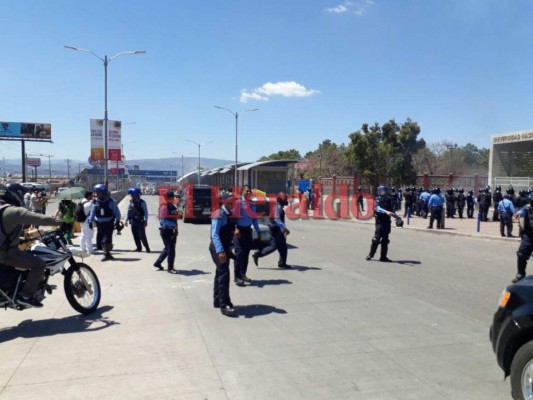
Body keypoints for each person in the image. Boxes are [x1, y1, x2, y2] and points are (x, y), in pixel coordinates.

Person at [0, 183, 64, 307]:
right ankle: (25, 296)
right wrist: (59, 222)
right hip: (6, 254)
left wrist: (20, 240)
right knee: (39, 264)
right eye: (23, 195)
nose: (24, 198)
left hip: (5, 249)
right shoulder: (14, 211)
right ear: (17, 195)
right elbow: (37, 218)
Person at [209, 191, 236, 316]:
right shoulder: (218, 214)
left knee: (220, 273)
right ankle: (224, 304)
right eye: (231, 200)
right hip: (217, 248)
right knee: (224, 275)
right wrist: (220, 251)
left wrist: (229, 249)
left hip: (225, 247)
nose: (233, 202)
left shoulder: (229, 214)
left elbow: (228, 233)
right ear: (225, 201)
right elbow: (214, 234)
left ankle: (217, 300)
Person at [252, 192, 291, 269]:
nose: (286, 200)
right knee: (274, 246)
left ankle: (282, 263)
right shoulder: (278, 207)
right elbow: (277, 219)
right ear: (281, 199)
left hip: (278, 229)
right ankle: (257, 254)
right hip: (276, 229)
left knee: (283, 247)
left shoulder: (278, 206)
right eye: (285, 199)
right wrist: (284, 228)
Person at [233, 185, 261, 286]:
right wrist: (235, 228)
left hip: (248, 231)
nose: (248, 193)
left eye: (250, 191)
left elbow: (254, 218)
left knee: (246, 254)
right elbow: (233, 217)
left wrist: (258, 230)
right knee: (239, 254)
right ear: (242, 192)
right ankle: (237, 277)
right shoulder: (238, 203)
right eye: (246, 191)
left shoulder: (252, 204)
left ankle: (243, 274)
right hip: (239, 231)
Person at [366, 185, 401, 262]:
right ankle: (370, 254)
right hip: (380, 222)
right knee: (376, 239)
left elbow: (392, 211)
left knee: (385, 240)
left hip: (387, 222)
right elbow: (377, 208)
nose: (384, 192)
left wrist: (397, 218)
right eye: (382, 190)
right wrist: (385, 211)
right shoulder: (377, 199)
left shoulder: (389, 199)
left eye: (385, 190)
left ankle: (383, 257)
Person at [88, 184, 121, 261]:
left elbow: (117, 212)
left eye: (98, 193)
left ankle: (106, 254)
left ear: (104, 193)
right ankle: (108, 253)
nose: (97, 194)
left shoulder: (111, 202)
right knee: (101, 240)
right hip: (99, 224)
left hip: (109, 223)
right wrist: (90, 221)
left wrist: (117, 221)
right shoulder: (96, 202)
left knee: (106, 239)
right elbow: (92, 212)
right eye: (96, 193)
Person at [153, 190, 179, 273]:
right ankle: (170, 268)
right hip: (166, 231)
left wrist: (176, 229)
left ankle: (158, 262)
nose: (173, 198)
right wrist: (173, 224)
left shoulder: (172, 206)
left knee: (167, 248)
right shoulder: (164, 207)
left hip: (172, 230)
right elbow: (163, 220)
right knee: (171, 250)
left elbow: (175, 218)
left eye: (173, 197)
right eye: (172, 197)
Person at [512, 193, 533, 283]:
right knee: (521, 254)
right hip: (528, 236)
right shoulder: (527, 208)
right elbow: (522, 211)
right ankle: (520, 274)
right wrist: (518, 214)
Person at [125, 188, 151, 253]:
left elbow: (146, 212)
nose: (131, 196)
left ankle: (147, 248)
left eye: (132, 195)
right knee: (135, 235)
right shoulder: (130, 202)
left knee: (142, 235)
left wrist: (146, 220)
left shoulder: (142, 203)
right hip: (133, 221)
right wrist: (126, 220)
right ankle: (139, 248)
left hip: (141, 221)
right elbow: (128, 211)